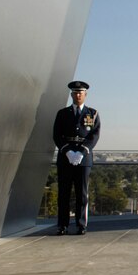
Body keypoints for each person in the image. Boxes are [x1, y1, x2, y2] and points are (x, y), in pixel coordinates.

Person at [53, 80, 100, 235]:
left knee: (82, 193)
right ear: (71, 94)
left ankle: (81, 224)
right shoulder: (62, 113)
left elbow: (94, 135)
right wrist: (67, 151)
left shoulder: (92, 114)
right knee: (64, 193)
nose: (78, 95)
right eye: (75, 92)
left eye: (80, 92)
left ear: (85, 94)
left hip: (83, 158)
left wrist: (82, 151)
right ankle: (62, 225)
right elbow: (56, 135)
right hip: (65, 157)